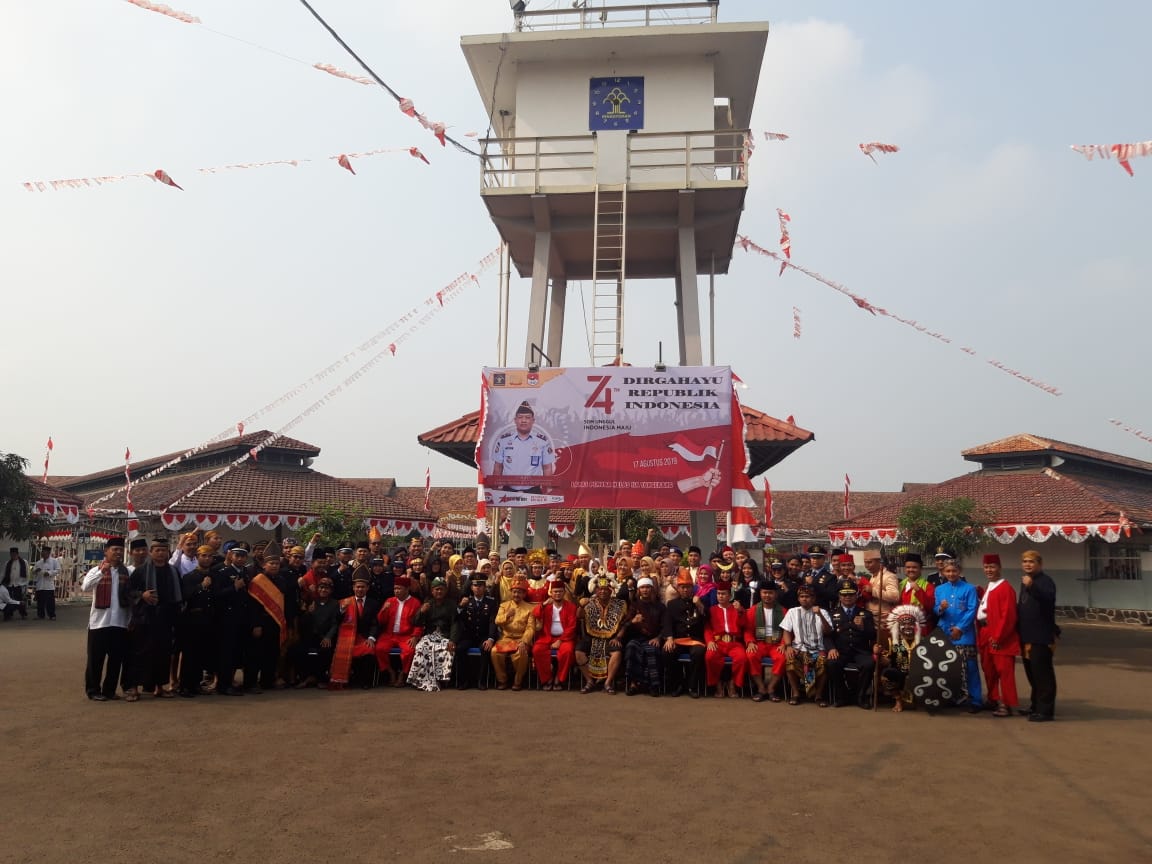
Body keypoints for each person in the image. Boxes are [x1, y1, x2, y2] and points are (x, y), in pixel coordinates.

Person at [125, 537, 183, 701]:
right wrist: (141, 595)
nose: (160, 553)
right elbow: (128, 592)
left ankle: (159, 687)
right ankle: (134, 688)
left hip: (165, 618)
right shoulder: (141, 571)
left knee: (162, 654)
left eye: (163, 550)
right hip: (145, 618)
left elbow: (178, 596)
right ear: (151, 553)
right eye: (157, 550)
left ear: (167, 552)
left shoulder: (173, 571)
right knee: (140, 653)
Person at [81, 538, 132, 701]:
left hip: (120, 622)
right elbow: (85, 587)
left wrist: (130, 620)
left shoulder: (127, 572)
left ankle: (109, 690)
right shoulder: (96, 570)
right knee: (95, 660)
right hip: (99, 623)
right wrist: (101, 571)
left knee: (116, 660)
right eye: (114, 549)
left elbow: (130, 597)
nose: (118, 552)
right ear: (106, 552)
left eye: (120, 550)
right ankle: (93, 690)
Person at [934, 558, 983, 712]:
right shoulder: (940, 590)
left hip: (965, 635)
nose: (951, 573)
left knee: (970, 667)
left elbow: (972, 609)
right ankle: (953, 697)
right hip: (945, 634)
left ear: (959, 572)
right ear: (943, 572)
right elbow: (935, 609)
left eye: (954, 571)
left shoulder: (969, 589)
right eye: (948, 571)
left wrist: (960, 628)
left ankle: (975, 700)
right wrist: (940, 609)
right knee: (948, 668)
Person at [977, 553, 1020, 718]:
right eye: (986, 567)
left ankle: (1007, 703)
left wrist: (998, 637)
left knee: (1004, 671)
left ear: (999, 568)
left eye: (992, 567)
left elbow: (1008, 616)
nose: (989, 570)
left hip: (999, 635)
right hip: (985, 632)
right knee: (989, 669)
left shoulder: (1006, 588)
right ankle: (993, 698)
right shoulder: (990, 586)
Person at [1017, 550, 1058, 722]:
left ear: (1039, 564)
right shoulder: (1025, 582)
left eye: (1031, 561)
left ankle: (1046, 711)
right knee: (1032, 674)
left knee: (1043, 675)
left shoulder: (1045, 581)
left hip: (1041, 636)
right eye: (1025, 561)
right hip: (1027, 635)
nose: (1027, 564)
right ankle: (1035, 705)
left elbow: (1048, 599)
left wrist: (1031, 586)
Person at [826, 579, 876, 709]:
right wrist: (831, 648)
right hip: (841, 651)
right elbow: (827, 635)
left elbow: (873, 635)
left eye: (851, 594)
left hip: (860, 651)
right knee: (832, 663)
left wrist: (863, 627)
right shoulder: (832, 614)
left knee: (869, 664)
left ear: (856, 595)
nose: (847, 597)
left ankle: (860, 696)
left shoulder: (866, 614)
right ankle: (842, 696)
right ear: (839, 596)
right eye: (844, 594)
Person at [780, 584, 833, 706]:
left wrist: (819, 615)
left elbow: (828, 632)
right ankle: (796, 693)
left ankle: (818, 695)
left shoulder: (822, 612)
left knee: (823, 662)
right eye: (802, 596)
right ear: (798, 599)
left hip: (818, 649)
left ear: (813, 599)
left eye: (808, 596)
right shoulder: (792, 612)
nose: (805, 599)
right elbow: (786, 631)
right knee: (790, 660)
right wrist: (788, 646)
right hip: (799, 648)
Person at [245, 550, 290, 693]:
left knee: (272, 653)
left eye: (277, 563)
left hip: (275, 621)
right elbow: (253, 607)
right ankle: (250, 683)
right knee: (256, 654)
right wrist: (256, 625)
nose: (275, 566)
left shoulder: (282, 580)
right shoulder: (257, 581)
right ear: (264, 565)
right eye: (271, 563)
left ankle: (267, 680)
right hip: (261, 621)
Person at [489, 400, 556, 492]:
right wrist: (494, 489)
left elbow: (547, 467)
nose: (524, 420)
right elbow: (498, 466)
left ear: (533, 421)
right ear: (515, 420)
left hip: (534, 490)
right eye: (520, 417)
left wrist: (548, 489)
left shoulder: (542, 441)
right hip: (508, 490)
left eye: (528, 417)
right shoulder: (503, 440)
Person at [211, 545, 252, 696]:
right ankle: (223, 685)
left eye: (243, 556)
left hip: (242, 619)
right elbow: (216, 594)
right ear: (231, 557)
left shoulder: (246, 572)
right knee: (226, 654)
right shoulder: (223, 573)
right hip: (227, 620)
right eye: (237, 556)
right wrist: (233, 587)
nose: (240, 559)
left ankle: (232, 682)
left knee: (237, 653)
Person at [576, 576, 628, 694]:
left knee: (617, 652)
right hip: (592, 636)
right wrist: (581, 606)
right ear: (596, 590)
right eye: (600, 589)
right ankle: (589, 681)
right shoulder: (589, 603)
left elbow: (625, 623)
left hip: (611, 637)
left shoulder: (620, 604)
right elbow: (579, 616)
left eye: (606, 589)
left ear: (611, 591)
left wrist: (618, 637)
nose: (603, 591)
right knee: (578, 651)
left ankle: (608, 683)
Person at [330, 573, 382, 689]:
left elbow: (375, 624)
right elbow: (336, 621)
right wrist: (342, 611)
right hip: (347, 638)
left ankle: (365, 682)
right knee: (343, 651)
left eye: (362, 587)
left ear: (367, 588)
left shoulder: (373, 603)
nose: (360, 589)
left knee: (369, 652)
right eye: (357, 587)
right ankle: (347, 680)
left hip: (364, 637)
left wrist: (371, 638)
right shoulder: (344, 602)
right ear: (353, 588)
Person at [175, 545, 215, 697]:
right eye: (204, 556)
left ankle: (196, 684)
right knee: (190, 655)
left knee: (202, 653)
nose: (207, 559)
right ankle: (185, 686)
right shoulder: (190, 576)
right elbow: (185, 596)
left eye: (209, 556)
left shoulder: (213, 575)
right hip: (192, 619)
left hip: (208, 619)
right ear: (198, 557)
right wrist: (201, 586)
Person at [407, 578, 457, 692]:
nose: (439, 592)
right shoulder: (427, 603)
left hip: (445, 635)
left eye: (441, 589)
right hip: (430, 635)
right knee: (421, 648)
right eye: (436, 589)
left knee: (446, 649)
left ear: (445, 590)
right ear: (432, 591)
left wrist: (453, 640)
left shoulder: (451, 604)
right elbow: (415, 622)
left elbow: (455, 624)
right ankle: (419, 679)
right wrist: (421, 612)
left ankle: (441, 679)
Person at [290, 577, 342, 688]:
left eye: (326, 588)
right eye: (321, 588)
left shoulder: (335, 604)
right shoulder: (312, 602)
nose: (323, 590)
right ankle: (305, 677)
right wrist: (308, 613)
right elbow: (303, 622)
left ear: (331, 590)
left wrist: (328, 637)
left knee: (326, 650)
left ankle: (320, 678)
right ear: (318, 589)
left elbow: (335, 623)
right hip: (310, 636)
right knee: (297, 650)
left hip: (325, 636)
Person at [662, 572, 707, 698]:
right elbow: (667, 623)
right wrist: (669, 638)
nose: (685, 589)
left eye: (688, 587)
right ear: (678, 589)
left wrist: (699, 605)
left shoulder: (699, 602)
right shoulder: (672, 604)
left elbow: (707, 618)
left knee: (698, 652)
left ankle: (692, 686)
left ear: (692, 588)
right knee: (667, 652)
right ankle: (677, 684)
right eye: (683, 587)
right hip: (678, 639)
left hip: (695, 640)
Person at [453, 573, 499, 690]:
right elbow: (456, 619)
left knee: (485, 648)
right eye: (475, 585)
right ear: (471, 587)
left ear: (484, 587)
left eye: (480, 585)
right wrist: (460, 607)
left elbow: (493, 622)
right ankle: (463, 681)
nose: (477, 588)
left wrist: (490, 638)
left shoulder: (491, 602)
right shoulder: (466, 601)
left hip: (484, 635)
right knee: (460, 649)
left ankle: (481, 681)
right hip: (469, 636)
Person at [532, 578, 579, 691]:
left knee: (567, 652)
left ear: (564, 592)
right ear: (551, 593)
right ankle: (547, 678)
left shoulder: (571, 607)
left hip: (565, 638)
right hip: (546, 637)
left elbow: (572, 627)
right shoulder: (546, 605)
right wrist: (543, 605)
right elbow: (535, 614)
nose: (557, 594)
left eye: (560, 591)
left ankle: (559, 678)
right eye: (555, 591)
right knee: (537, 650)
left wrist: (560, 640)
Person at [878, 605, 927, 712]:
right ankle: (898, 700)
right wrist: (879, 654)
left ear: (916, 626)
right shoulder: (894, 642)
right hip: (900, 673)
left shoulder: (924, 642)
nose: (907, 627)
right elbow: (887, 661)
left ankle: (923, 700)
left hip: (920, 674)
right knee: (888, 674)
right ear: (898, 626)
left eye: (910, 624)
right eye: (903, 624)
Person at [375, 575, 423, 686]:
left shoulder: (415, 603)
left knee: (410, 651)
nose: (396, 591)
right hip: (389, 634)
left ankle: (403, 673)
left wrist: (415, 636)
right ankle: (390, 671)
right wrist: (384, 610)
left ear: (407, 589)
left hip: (406, 635)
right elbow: (381, 621)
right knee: (379, 649)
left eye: (399, 588)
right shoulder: (389, 601)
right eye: (395, 588)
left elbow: (419, 622)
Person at [621, 577, 665, 697]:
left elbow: (665, 626)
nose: (645, 590)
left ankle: (653, 685)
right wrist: (633, 621)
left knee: (651, 650)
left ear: (652, 589)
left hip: (654, 638)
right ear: (638, 590)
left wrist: (658, 638)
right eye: (642, 587)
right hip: (637, 638)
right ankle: (633, 684)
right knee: (631, 647)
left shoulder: (660, 606)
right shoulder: (634, 606)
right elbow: (625, 625)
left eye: (647, 587)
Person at [744, 581, 786, 703]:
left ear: (776, 594)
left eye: (770, 593)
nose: (767, 595)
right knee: (751, 655)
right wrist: (750, 642)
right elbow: (747, 630)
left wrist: (784, 644)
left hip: (776, 644)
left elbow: (787, 630)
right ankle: (761, 688)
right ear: (760, 593)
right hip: (759, 643)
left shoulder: (783, 611)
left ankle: (771, 688)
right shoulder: (752, 610)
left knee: (782, 658)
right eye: (765, 592)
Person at [492, 577, 536, 691]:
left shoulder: (530, 608)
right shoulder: (504, 606)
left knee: (521, 652)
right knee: (495, 652)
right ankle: (502, 680)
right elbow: (497, 621)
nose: (516, 594)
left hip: (521, 639)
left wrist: (524, 641)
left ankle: (518, 681)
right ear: (511, 592)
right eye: (515, 591)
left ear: (524, 594)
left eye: (520, 592)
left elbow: (531, 628)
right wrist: (507, 615)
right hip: (506, 638)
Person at [705, 582, 746, 698]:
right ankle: (718, 684)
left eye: (723, 594)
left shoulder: (737, 608)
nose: (720, 596)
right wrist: (710, 641)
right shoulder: (712, 610)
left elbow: (744, 624)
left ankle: (733, 683)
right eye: (718, 594)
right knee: (710, 657)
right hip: (718, 642)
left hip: (734, 642)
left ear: (730, 595)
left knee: (742, 658)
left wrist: (740, 612)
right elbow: (707, 628)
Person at [860, 551, 899, 628]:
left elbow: (895, 596)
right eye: (865, 562)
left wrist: (873, 591)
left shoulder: (889, 576)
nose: (867, 565)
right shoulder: (873, 576)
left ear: (879, 562)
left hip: (883, 619)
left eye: (870, 562)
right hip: (871, 617)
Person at [899, 553, 936, 632]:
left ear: (920, 569)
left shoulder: (928, 586)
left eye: (914, 567)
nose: (911, 570)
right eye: (908, 567)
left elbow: (930, 607)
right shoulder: (901, 585)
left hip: (920, 627)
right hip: (903, 626)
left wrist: (919, 591)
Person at [31, 545, 60, 620]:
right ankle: (40, 615)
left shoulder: (54, 561)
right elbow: (33, 571)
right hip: (40, 584)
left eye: (44, 552)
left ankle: (52, 615)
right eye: (42, 552)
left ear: (48, 553)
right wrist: (35, 571)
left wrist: (49, 573)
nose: (43, 554)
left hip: (49, 585)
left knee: (50, 602)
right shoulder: (38, 562)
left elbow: (58, 570)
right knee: (40, 601)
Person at [4, 548, 29, 620]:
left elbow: (27, 573)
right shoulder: (8, 563)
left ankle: (23, 614)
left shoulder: (24, 562)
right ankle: (8, 614)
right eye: (12, 554)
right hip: (9, 584)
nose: (13, 556)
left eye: (15, 554)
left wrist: (25, 583)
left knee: (19, 600)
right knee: (8, 600)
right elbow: (3, 573)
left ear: (18, 554)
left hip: (19, 584)